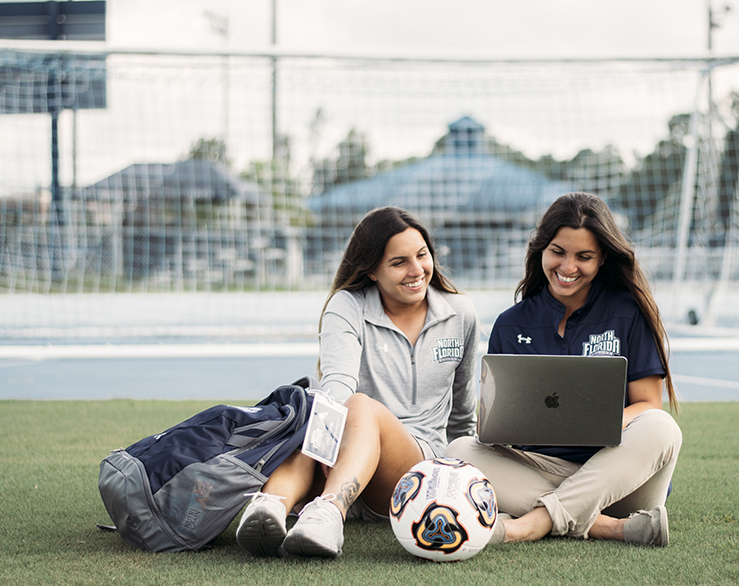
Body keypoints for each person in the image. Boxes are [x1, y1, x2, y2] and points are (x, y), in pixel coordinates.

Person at [236, 206, 478, 558]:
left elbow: (463, 410)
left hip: (412, 467)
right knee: (317, 406)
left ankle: (329, 513)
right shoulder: (347, 306)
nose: (416, 271)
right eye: (399, 263)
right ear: (372, 271)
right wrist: (327, 447)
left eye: (422, 255)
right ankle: (270, 506)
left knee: (358, 406)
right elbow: (338, 381)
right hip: (345, 454)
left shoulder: (461, 314)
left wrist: (460, 481)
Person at [447, 192, 682, 547]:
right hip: (539, 469)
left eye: (583, 257)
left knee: (662, 428)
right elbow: (494, 425)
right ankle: (610, 527)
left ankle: (529, 524)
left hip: (618, 476)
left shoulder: (628, 311)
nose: (568, 267)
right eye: (558, 252)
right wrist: (497, 425)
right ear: (541, 250)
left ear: (602, 258)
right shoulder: (511, 324)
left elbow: (649, 403)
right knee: (458, 452)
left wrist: (595, 425)